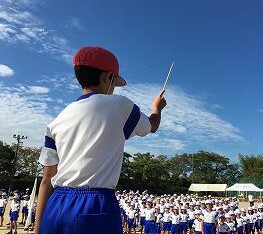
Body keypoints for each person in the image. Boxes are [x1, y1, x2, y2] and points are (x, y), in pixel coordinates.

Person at [35, 46, 167, 234]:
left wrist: (38, 228)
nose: (113, 89)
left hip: (55, 206)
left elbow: (46, 180)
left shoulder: (56, 121)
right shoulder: (121, 105)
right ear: (107, 78)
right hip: (94, 205)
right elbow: (151, 126)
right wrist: (157, 108)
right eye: (114, 82)